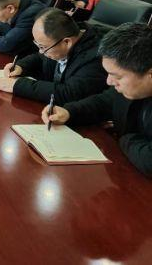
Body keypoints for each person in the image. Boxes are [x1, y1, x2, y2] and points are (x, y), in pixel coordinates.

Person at [42, 23, 152, 177]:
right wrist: (69, 112)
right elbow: (107, 100)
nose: (109, 81)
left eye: (117, 76)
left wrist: (125, 138)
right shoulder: (132, 85)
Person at [0, 8, 107, 104]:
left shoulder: (96, 57)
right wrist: (21, 67)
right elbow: (41, 58)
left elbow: (69, 93)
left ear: (67, 42)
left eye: (43, 47)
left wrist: (18, 86)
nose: (41, 51)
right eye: (38, 45)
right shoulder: (62, 36)